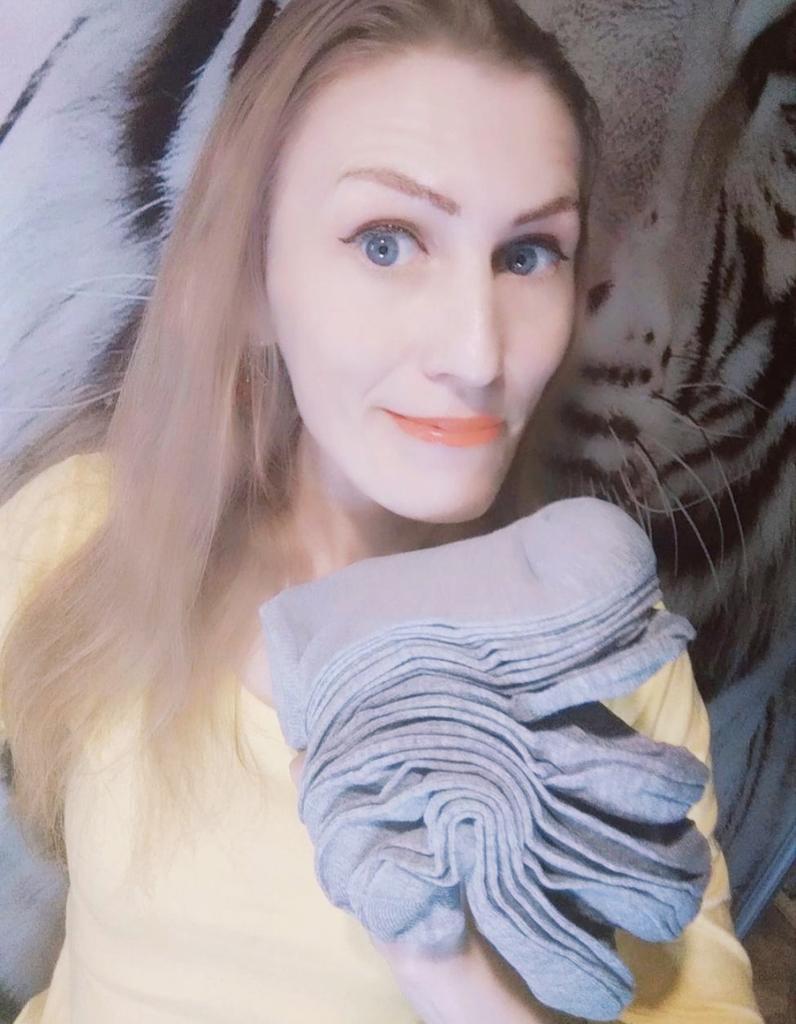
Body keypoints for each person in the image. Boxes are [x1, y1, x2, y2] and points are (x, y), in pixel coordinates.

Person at [0, 0, 762, 1021]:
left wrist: (457, 976)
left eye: (527, 254)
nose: (478, 354)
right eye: (388, 242)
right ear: (253, 281)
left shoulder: (611, 657)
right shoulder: (79, 531)